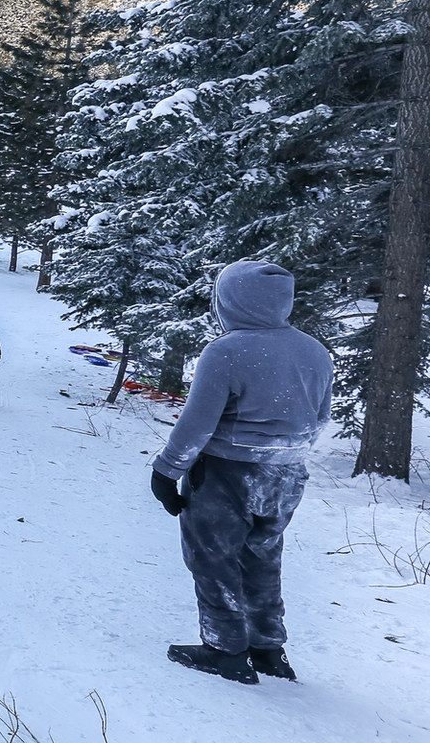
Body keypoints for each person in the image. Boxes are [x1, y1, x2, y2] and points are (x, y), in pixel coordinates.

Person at [150, 261, 333, 685]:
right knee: (262, 558)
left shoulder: (227, 351)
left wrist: (165, 472)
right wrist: (284, 454)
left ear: (229, 300)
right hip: (287, 475)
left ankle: (225, 650)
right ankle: (268, 649)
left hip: (226, 475)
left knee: (213, 559)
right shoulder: (314, 350)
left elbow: (198, 423)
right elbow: (319, 417)